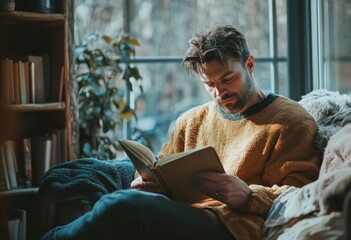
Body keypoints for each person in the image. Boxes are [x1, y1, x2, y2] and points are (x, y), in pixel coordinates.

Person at [42, 25, 321, 240]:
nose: (218, 92)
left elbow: (304, 196)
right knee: (120, 199)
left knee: (120, 206)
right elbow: (164, 165)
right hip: (186, 211)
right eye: (208, 83)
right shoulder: (193, 120)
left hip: (233, 225)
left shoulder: (291, 121)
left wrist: (249, 195)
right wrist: (149, 181)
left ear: (249, 64)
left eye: (227, 79)